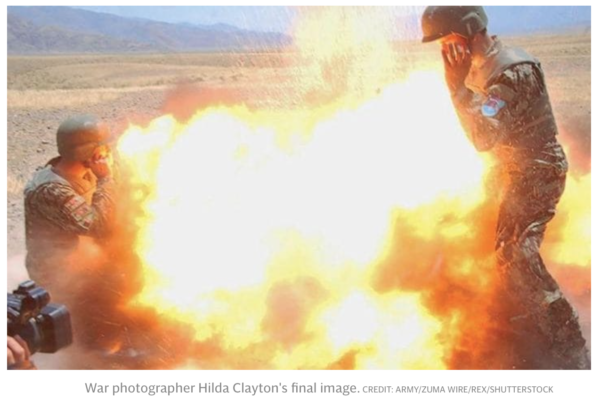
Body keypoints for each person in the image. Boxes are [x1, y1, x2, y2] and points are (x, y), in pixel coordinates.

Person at [421, 6, 589, 369]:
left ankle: (570, 346)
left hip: (537, 170)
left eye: (448, 39)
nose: (445, 49)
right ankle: (514, 318)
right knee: (466, 232)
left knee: (515, 255)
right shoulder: (482, 66)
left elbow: (483, 137)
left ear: (469, 32)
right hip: (511, 168)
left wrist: (455, 88)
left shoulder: (512, 72)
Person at [24, 115, 115, 288]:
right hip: (57, 275)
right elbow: (97, 227)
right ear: (91, 154)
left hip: (81, 257)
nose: (108, 151)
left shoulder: (85, 172)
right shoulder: (52, 190)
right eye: (103, 146)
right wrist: (106, 179)